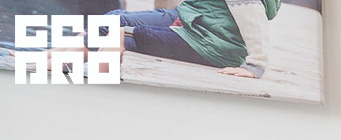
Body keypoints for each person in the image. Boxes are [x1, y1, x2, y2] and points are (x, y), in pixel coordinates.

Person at [99, 0, 279, 78]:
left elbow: (254, 20)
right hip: (203, 37)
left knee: (118, 36)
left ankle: (101, 95)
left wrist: (256, 65)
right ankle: (103, 86)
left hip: (210, 46)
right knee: (118, 30)